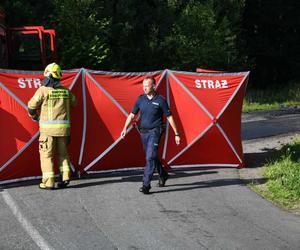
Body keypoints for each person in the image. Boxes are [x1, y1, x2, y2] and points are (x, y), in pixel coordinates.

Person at [121, 76, 180, 194]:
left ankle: (146, 185)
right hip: (143, 132)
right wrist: (124, 128)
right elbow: (132, 115)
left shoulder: (161, 100)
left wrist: (176, 133)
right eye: (143, 86)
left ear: (154, 86)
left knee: (149, 157)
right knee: (152, 156)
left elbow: (169, 117)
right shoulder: (140, 99)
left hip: (156, 131)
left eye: (146, 86)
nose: (144, 88)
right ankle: (163, 174)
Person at [27, 63, 76, 190]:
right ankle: (66, 176)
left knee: (46, 156)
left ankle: (48, 182)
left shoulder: (43, 90)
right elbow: (74, 103)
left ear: (48, 76)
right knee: (63, 155)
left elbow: (31, 106)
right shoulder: (66, 91)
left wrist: (34, 117)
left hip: (47, 132)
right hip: (64, 131)